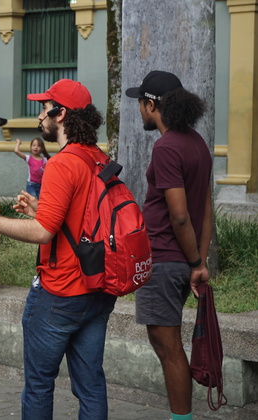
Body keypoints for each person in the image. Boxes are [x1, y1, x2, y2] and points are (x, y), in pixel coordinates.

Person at [0, 79, 117, 419]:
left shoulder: (62, 163)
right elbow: (85, 222)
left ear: (60, 114)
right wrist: (39, 209)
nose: (39, 117)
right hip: (97, 287)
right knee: (91, 383)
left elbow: (43, 233)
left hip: (61, 290)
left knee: (38, 384)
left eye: (43, 108)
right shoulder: (97, 157)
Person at [126, 70, 213, 420]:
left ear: (151, 104)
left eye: (140, 105)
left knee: (168, 347)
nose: (140, 112)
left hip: (163, 260)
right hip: (181, 261)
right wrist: (199, 261)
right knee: (170, 345)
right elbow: (205, 207)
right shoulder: (196, 142)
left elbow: (179, 216)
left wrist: (194, 262)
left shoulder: (166, 147)